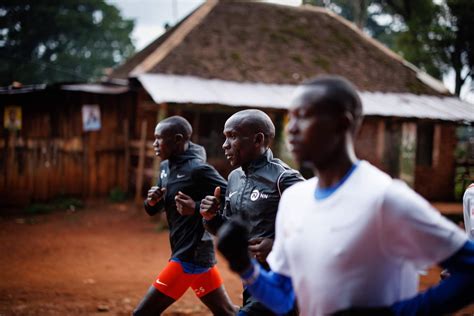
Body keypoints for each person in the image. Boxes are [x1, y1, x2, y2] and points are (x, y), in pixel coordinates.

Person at [216, 76, 474, 316]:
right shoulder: (295, 199)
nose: (292, 129)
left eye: (303, 117)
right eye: (290, 119)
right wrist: (245, 267)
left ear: (343, 123)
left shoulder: (384, 198)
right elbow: (284, 297)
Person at [200, 109, 304, 315]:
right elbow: (228, 230)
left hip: (283, 282)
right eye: (225, 137)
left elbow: (317, 229)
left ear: (258, 140)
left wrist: (276, 247)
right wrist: (211, 217)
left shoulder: (284, 179)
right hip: (252, 279)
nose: (225, 144)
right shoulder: (234, 178)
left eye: (233, 136)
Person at [133, 116, 236, 316]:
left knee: (142, 313)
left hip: (190, 254)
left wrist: (196, 207)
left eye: (159, 138)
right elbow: (155, 209)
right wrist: (151, 202)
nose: (154, 144)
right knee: (227, 313)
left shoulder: (197, 169)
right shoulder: (165, 167)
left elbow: (231, 197)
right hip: (189, 251)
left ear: (178, 140)